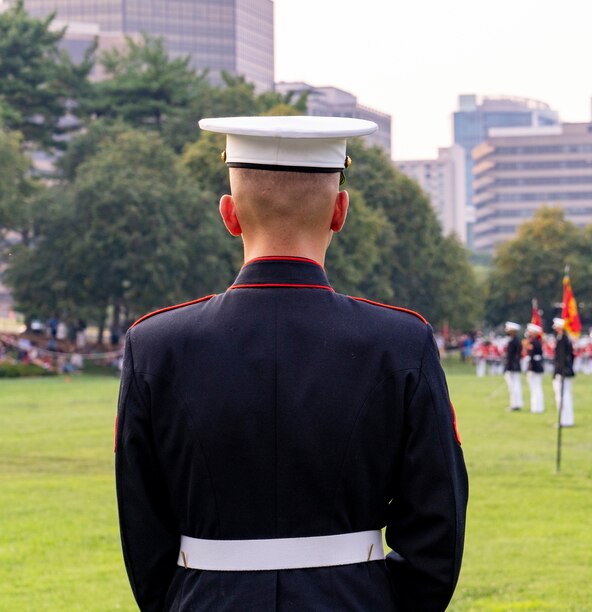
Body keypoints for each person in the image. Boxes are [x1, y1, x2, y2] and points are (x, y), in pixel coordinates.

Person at [114, 116, 468, 610]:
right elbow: (438, 526)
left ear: (230, 214)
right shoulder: (401, 343)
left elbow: (142, 529)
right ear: (340, 211)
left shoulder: (156, 346)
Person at [552, 318, 575, 427]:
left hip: (562, 372)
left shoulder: (562, 339)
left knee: (562, 396)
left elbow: (560, 358)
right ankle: (567, 419)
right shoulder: (566, 339)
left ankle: (564, 420)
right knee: (566, 395)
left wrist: (559, 372)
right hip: (567, 371)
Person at [503, 321, 524, 412]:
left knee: (513, 387)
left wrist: (507, 367)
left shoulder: (512, 342)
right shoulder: (516, 340)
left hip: (512, 366)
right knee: (516, 386)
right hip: (515, 366)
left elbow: (511, 356)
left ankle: (515, 404)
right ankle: (517, 403)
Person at [525, 323, 546, 413]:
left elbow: (532, 355)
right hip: (537, 366)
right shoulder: (537, 342)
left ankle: (536, 407)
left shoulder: (534, 342)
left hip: (534, 367)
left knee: (535, 387)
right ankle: (537, 407)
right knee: (536, 387)